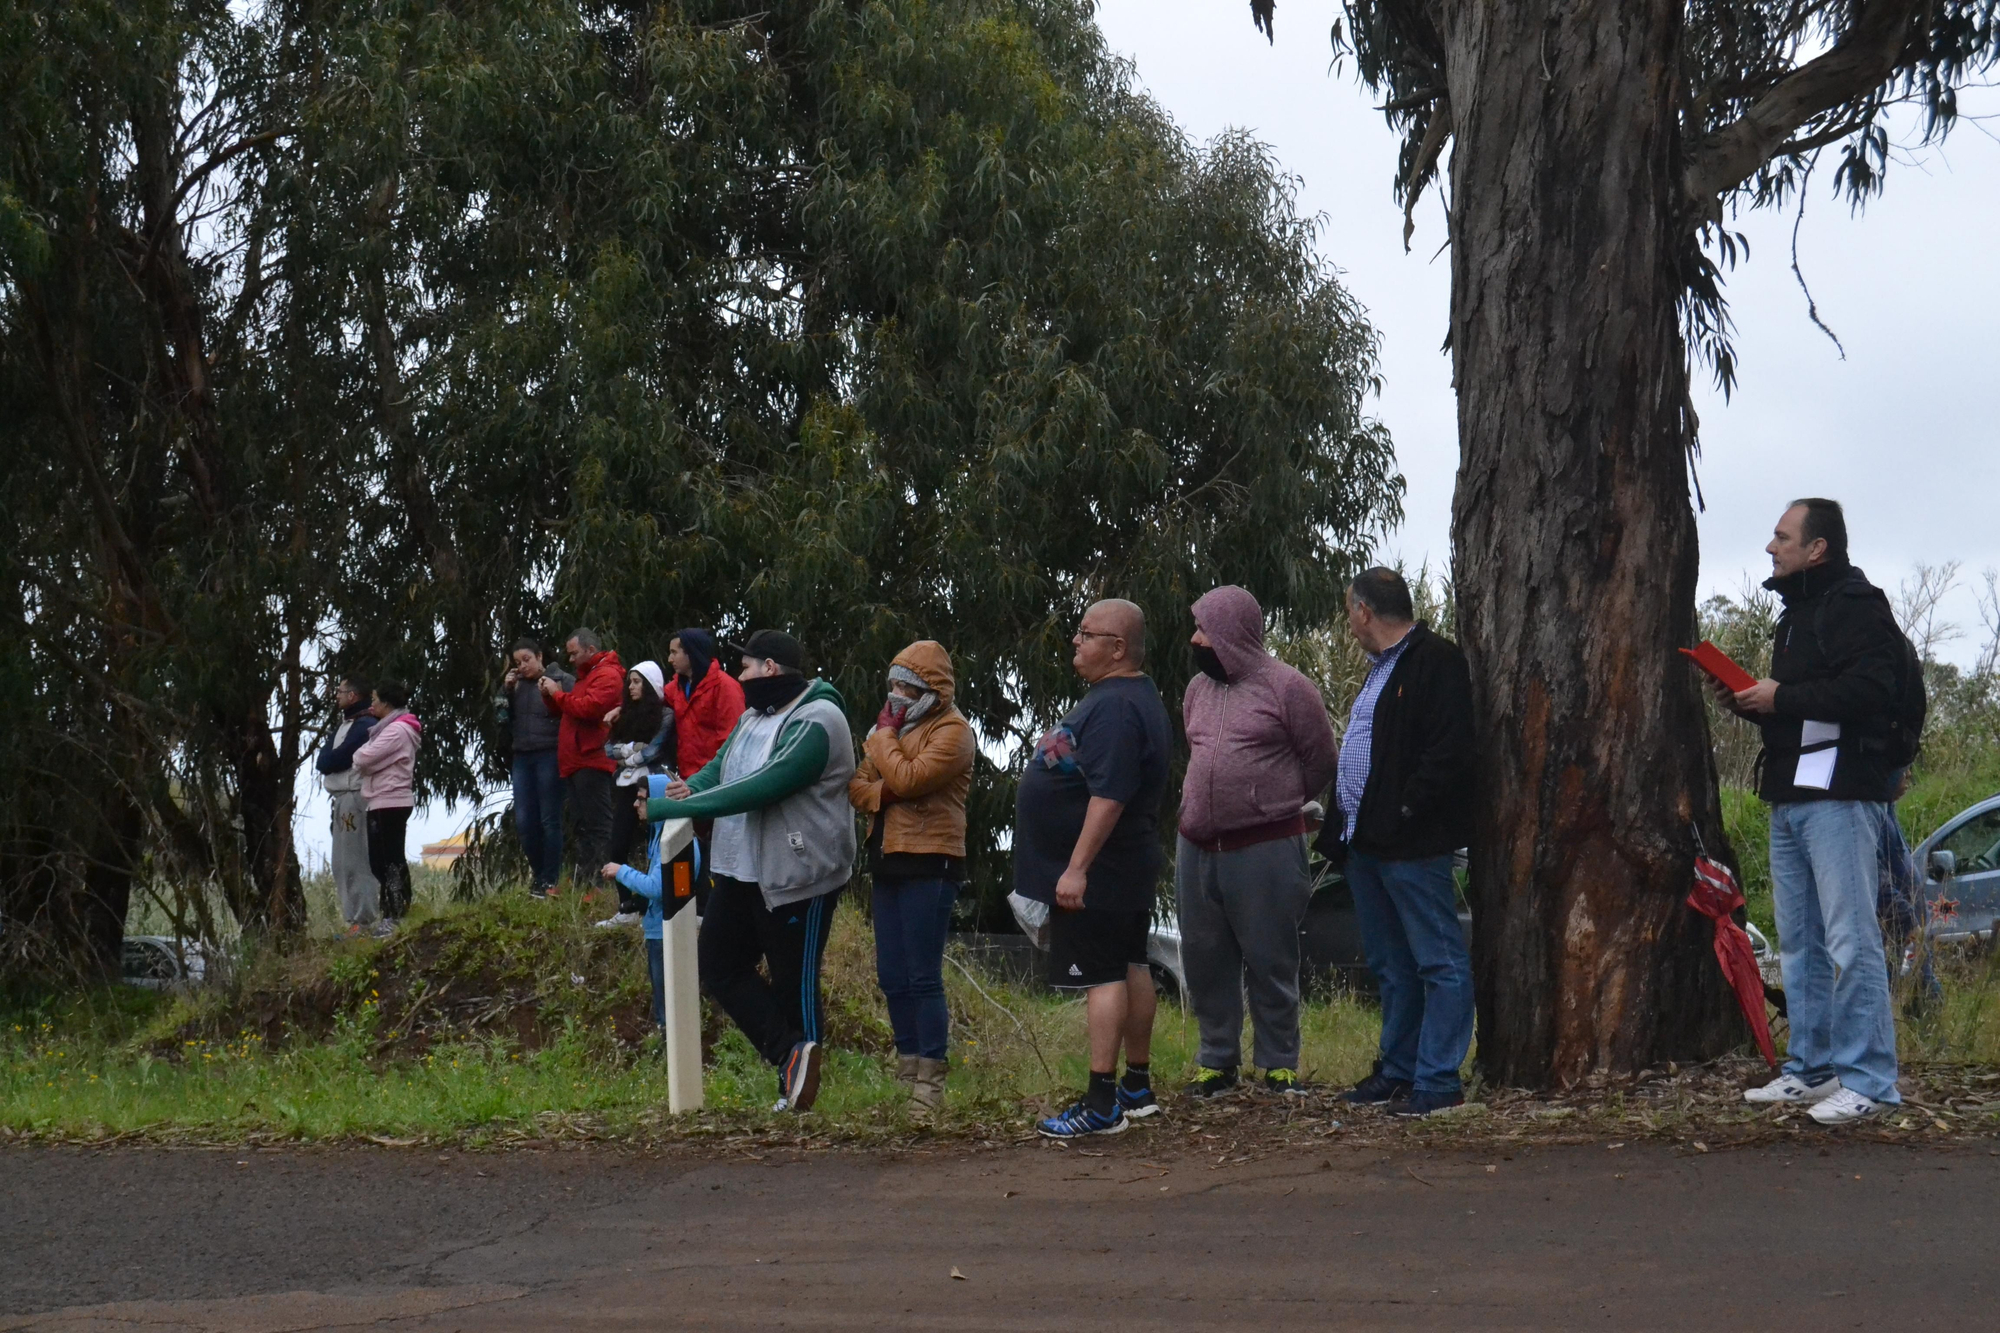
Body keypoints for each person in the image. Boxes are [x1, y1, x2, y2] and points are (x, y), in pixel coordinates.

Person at [1709, 498, 1906, 1125]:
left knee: (1851, 939)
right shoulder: (1795, 614)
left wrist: (1783, 695)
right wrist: (1748, 701)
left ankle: (1871, 1081)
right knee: (1799, 943)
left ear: (1817, 547)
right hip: (1791, 796)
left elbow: (1874, 689)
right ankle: (1813, 1069)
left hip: (1842, 797)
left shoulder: (1855, 604)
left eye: (1782, 536)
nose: (1771, 547)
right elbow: (1799, 706)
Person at [643, 630, 856, 1114]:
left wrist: (678, 806)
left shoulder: (820, 720)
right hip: (741, 869)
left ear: (771, 669)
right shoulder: (753, 716)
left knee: (792, 983)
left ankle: (802, 1097)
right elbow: (724, 767)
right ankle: (789, 1056)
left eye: (747, 667)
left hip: (799, 874)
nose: (740, 675)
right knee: (717, 963)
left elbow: (764, 784)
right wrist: (687, 788)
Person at [1014, 599, 1173, 1138]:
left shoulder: (1118, 707)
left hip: (1102, 868)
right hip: (1120, 865)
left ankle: (1102, 1105)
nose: (1075, 642)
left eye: (1086, 633)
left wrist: (1076, 867)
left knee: (1102, 976)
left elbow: (1109, 795)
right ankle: (1136, 1087)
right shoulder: (1123, 698)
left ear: (1118, 648)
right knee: (1131, 964)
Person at [1177, 586, 1340, 1098]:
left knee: (1270, 958)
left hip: (1266, 846)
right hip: (1197, 847)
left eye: (1204, 629)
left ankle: (1278, 1064)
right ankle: (1216, 1062)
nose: (1195, 639)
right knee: (1204, 957)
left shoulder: (1288, 687)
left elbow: (1320, 760)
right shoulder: (1197, 690)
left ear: (1233, 633)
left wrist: (1267, 803)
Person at [1331, 567, 1476, 1118]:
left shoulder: (1435, 661)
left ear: (1364, 610)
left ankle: (1438, 1081)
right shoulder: (1378, 671)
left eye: (1350, 611)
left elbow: (1450, 749)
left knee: (1438, 960)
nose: (1350, 623)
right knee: (1392, 964)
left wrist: (1407, 807)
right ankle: (1398, 1070)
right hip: (1364, 840)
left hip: (1412, 843)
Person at [848, 641, 975, 1117]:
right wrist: (891, 781)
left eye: (906, 685)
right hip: (888, 859)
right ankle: (905, 1072)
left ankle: (930, 1084)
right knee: (891, 976)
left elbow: (908, 778)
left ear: (930, 689)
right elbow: (858, 787)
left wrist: (884, 741)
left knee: (923, 977)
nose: (896, 694)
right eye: (893, 685)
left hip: (932, 862)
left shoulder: (954, 732)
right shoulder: (895, 731)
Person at [603, 775, 691, 1035]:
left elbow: (658, 888)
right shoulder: (658, 836)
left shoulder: (678, 839)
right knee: (662, 1006)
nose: (635, 805)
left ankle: (669, 1047)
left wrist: (621, 871)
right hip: (657, 931)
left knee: (670, 1009)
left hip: (668, 933)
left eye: (641, 799)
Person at [540, 628, 624, 892]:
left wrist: (556, 693)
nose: (571, 659)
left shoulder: (608, 675)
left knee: (597, 824)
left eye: (575, 653)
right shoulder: (586, 677)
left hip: (593, 759)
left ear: (590, 650)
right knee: (580, 825)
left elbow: (588, 709)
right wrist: (550, 697)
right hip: (575, 760)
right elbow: (569, 708)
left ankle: (599, 882)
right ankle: (583, 878)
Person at [599, 660, 675, 928]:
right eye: (629, 681)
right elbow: (609, 750)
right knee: (618, 844)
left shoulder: (664, 715)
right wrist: (633, 750)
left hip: (652, 785)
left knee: (657, 845)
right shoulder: (624, 716)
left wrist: (627, 752)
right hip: (624, 786)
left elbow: (652, 751)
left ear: (651, 685)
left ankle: (665, 902)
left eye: (636, 681)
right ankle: (626, 906)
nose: (630, 687)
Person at [500, 640, 573, 897]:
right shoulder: (515, 685)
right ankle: (539, 874)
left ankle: (549, 878)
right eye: (517, 662)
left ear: (539, 656)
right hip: (522, 755)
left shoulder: (559, 679)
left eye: (527, 659)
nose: (523, 666)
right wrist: (506, 691)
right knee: (524, 822)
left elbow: (572, 709)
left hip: (550, 753)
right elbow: (500, 718)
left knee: (548, 819)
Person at [352, 679, 423, 936]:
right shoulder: (389, 729)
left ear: (385, 703)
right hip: (382, 800)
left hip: (390, 801)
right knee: (382, 860)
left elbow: (362, 757)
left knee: (387, 861)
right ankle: (392, 910)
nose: (371, 705)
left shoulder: (397, 731)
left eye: (374, 700)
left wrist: (367, 761)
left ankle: (396, 913)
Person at [315, 675, 381, 932]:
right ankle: (352, 919)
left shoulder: (366, 724)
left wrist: (331, 760)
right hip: (341, 798)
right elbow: (324, 758)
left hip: (355, 796)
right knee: (341, 862)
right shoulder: (345, 725)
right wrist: (330, 759)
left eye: (340, 691)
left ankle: (363, 919)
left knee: (357, 860)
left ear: (353, 695)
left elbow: (338, 758)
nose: (337, 696)